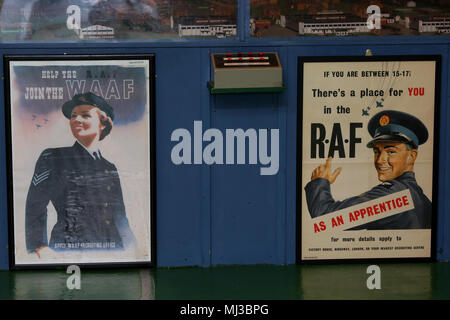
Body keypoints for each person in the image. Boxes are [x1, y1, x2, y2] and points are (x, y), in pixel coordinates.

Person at [25, 92, 136, 258]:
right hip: (70, 249)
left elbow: (120, 216)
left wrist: (132, 247)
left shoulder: (109, 166)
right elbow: (35, 204)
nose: (76, 120)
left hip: (112, 249)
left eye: (85, 115)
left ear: (103, 123)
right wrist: (39, 246)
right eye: (73, 116)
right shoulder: (54, 157)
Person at [304, 110, 432, 230]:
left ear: (412, 156)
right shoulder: (422, 199)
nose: (380, 160)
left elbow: (324, 218)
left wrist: (319, 182)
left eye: (391, 152)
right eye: (377, 151)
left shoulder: (392, 193)